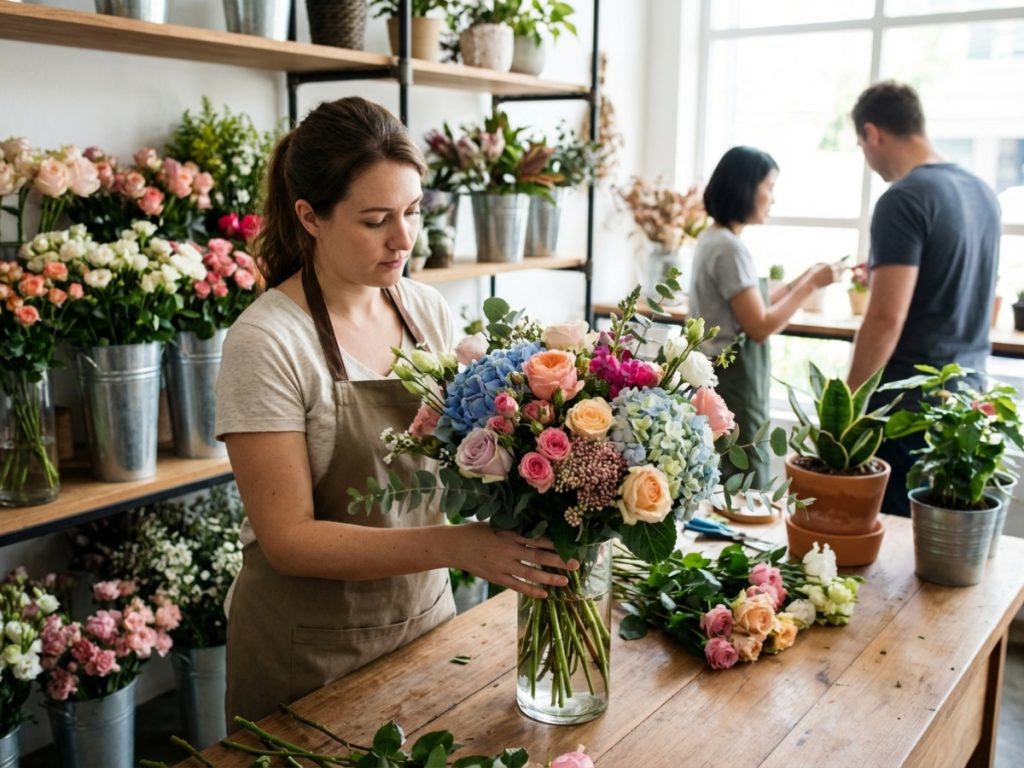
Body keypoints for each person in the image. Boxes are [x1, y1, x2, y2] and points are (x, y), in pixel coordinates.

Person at [214, 97, 577, 723]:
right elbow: (288, 541)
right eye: (377, 219)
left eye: (412, 211)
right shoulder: (268, 342)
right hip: (308, 654)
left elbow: (466, 457)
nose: (404, 238)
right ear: (311, 217)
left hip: (428, 623)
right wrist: (460, 546)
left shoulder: (424, 310)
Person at [846, 80, 1001, 517]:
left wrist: (847, 410)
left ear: (874, 133)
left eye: (862, 146)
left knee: (892, 559)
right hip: (968, 405)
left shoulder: (904, 199)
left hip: (907, 411)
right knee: (943, 557)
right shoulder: (982, 194)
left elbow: (884, 320)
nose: (869, 160)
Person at [689, 146, 837, 487]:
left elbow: (748, 304)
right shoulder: (729, 248)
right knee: (742, 473)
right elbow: (759, 325)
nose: (772, 199)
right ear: (745, 188)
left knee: (721, 466)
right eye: (769, 187)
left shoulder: (712, 238)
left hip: (717, 372)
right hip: (734, 378)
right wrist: (812, 284)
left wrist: (803, 278)